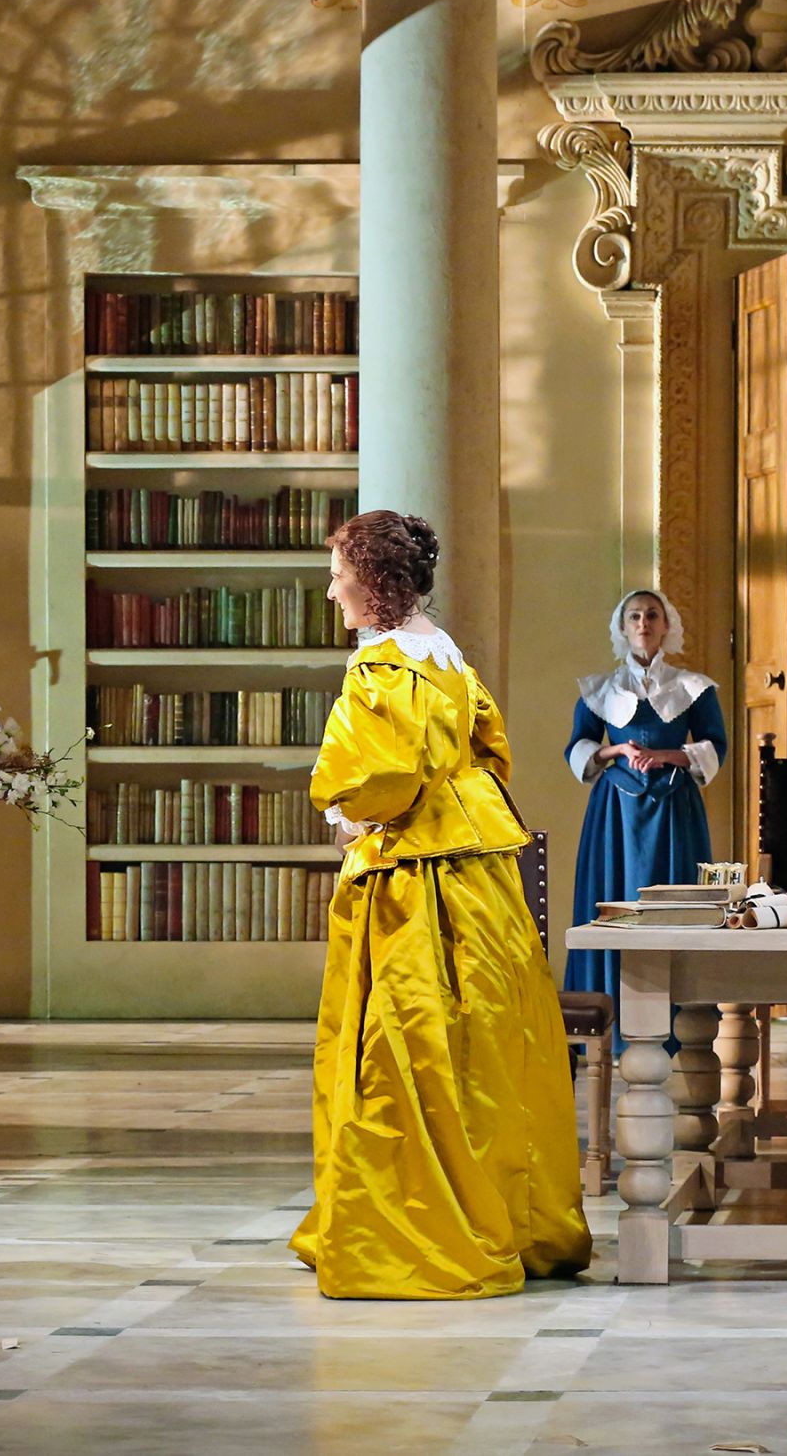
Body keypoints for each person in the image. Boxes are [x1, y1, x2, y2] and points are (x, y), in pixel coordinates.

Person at [291, 510, 591, 1300]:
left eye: (339, 575)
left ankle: (414, 1221)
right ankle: (509, 1210)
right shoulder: (447, 653)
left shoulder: (383, 664)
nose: (331, 590)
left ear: (374, 584)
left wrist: (349, 815)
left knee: (407, 1045)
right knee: (489, 1041)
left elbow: (382, 776)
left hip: (416, 877)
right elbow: (489, 748)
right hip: (482, 870)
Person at [563, 589, 726, 1002]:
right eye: (634, 616)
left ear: (666, 625)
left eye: (652, 615)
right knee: (614, 902)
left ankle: (678, 1019)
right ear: (622, 628)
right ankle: (610, 1014)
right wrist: (619, 750)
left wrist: (665, 755)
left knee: (674, 900)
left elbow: (715, 746)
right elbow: (578, 748)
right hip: (615, 812)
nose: (643, 624)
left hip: (674, 807)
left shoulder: (693, 688)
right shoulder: (600, 689)